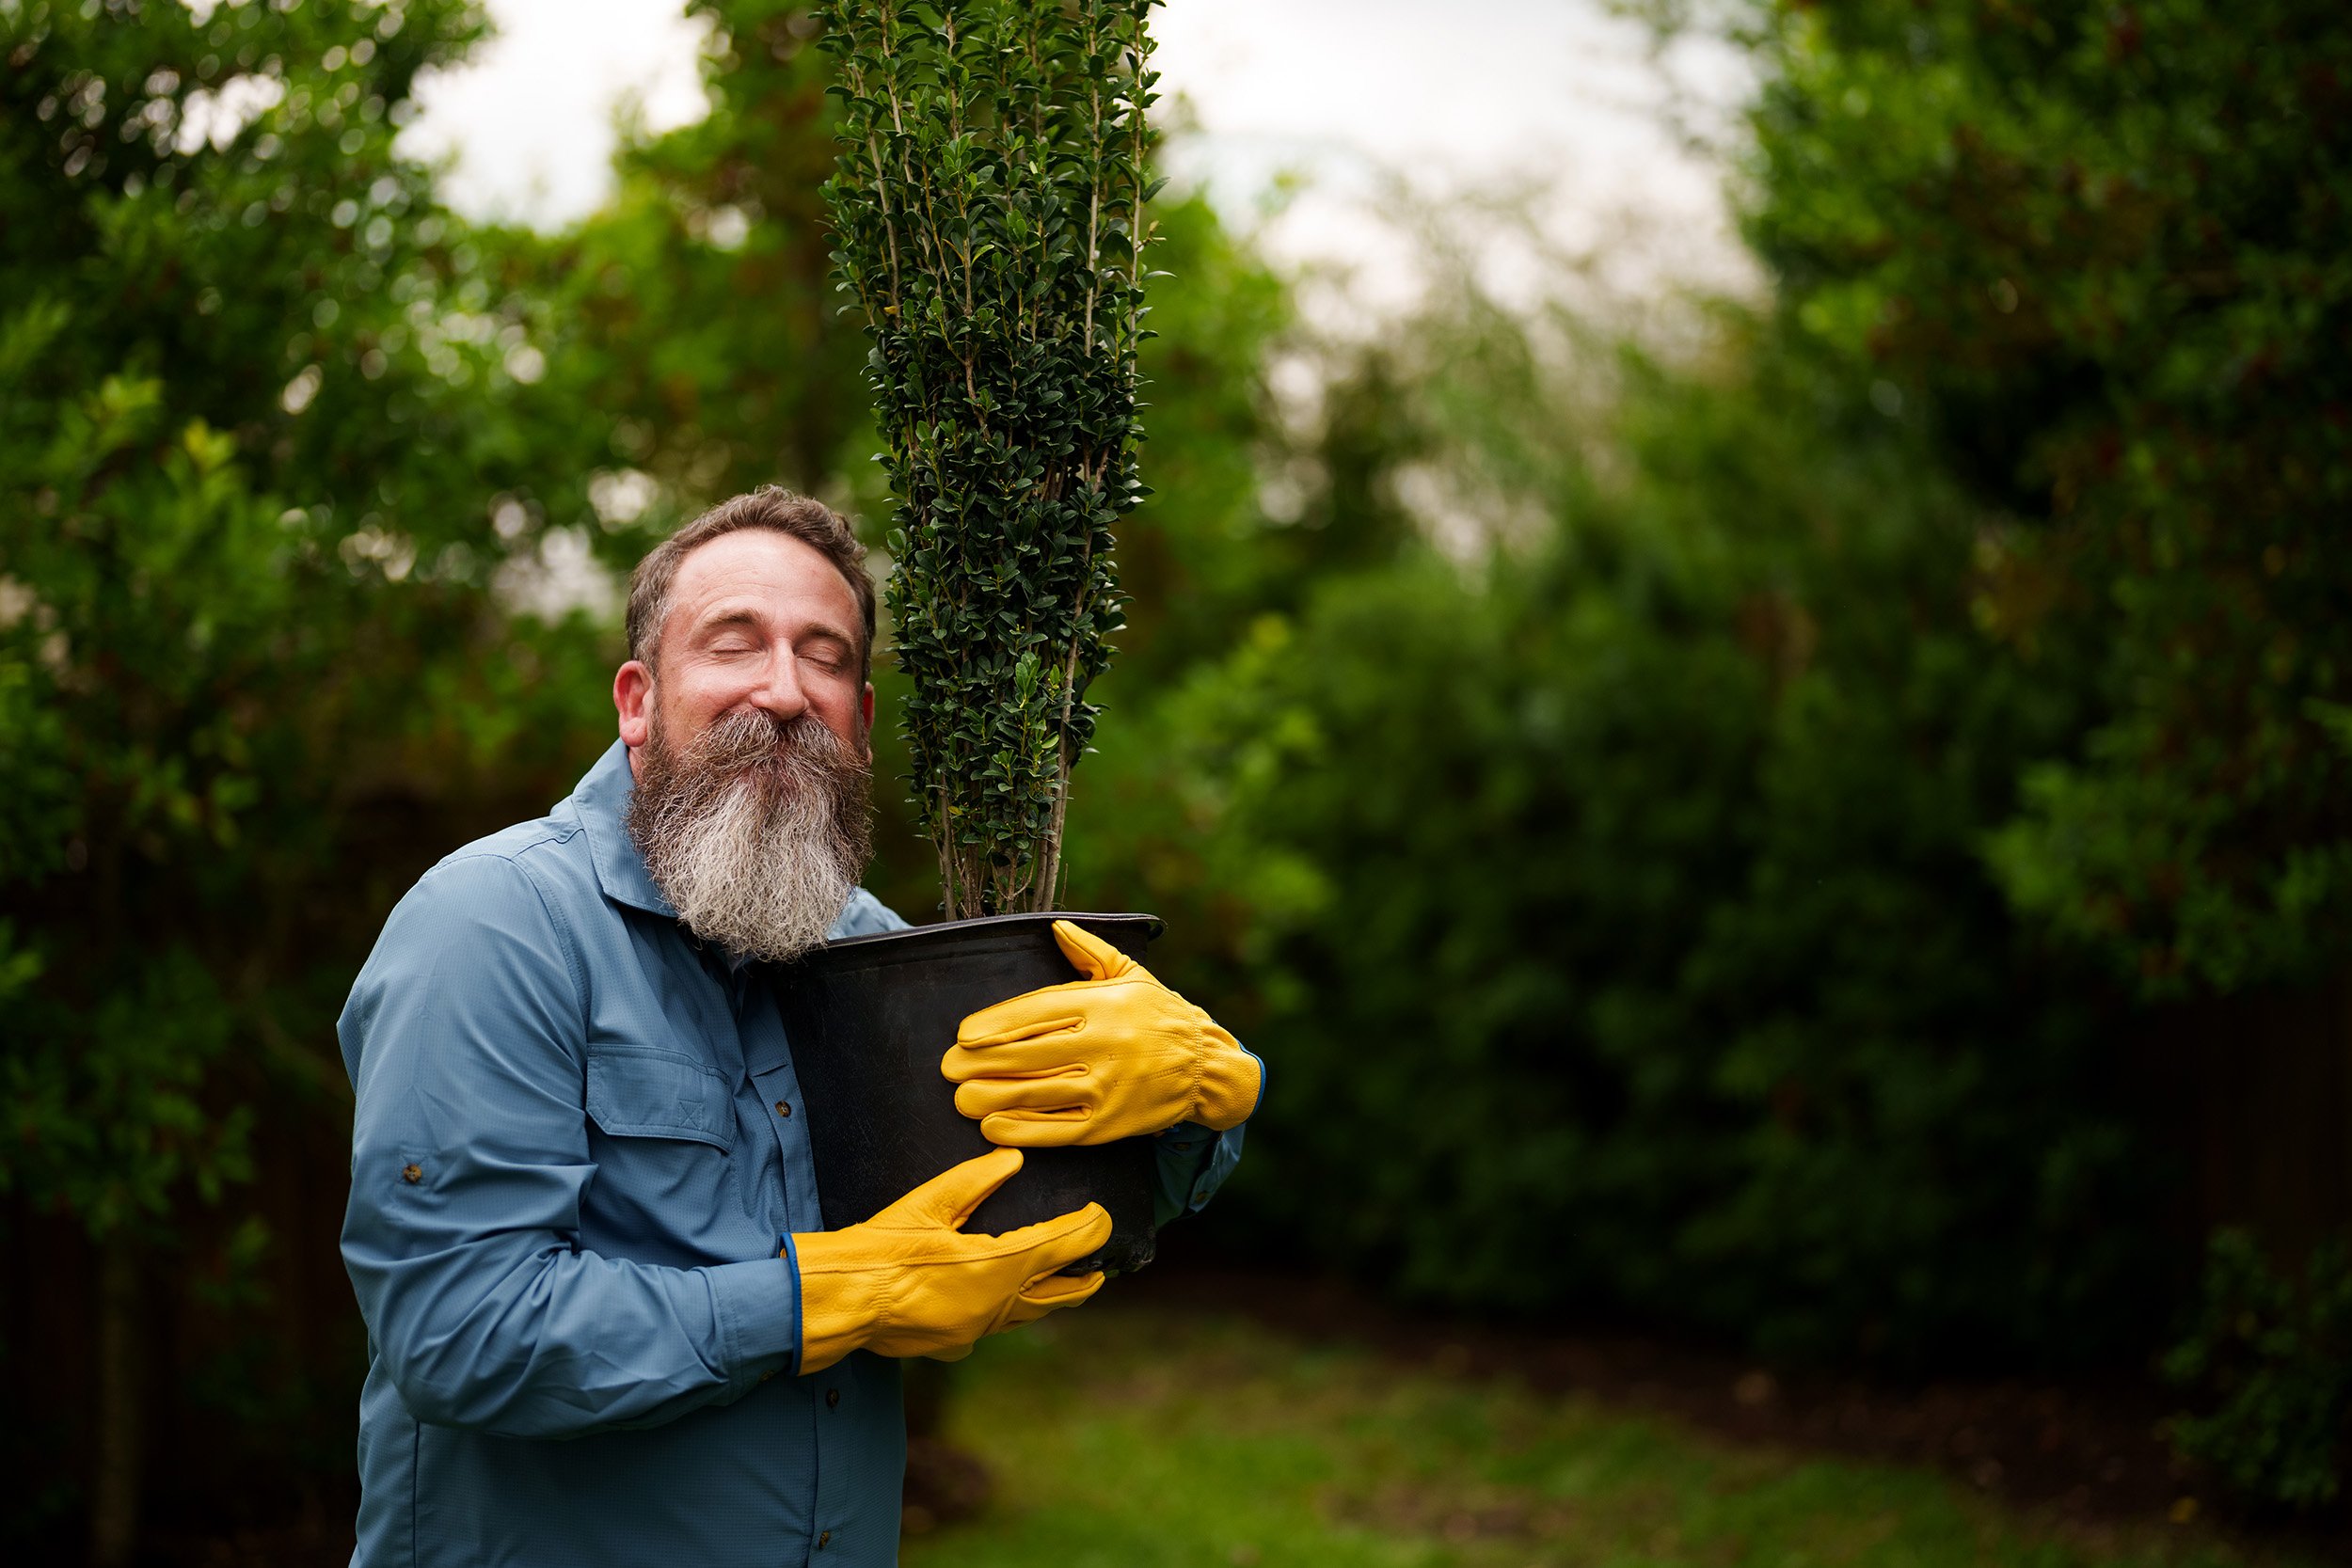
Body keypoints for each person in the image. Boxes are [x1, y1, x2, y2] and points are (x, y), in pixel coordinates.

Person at [337, 488, 1263, 1568]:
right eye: (733, 643)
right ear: (637, 700)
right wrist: (832, 1291)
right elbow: (460, 1331)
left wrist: (1203, 1097)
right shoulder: (495, 924)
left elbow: (1036, 1207)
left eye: (823, 656)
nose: (782, 690)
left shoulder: (866, 947)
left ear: (860, 723)